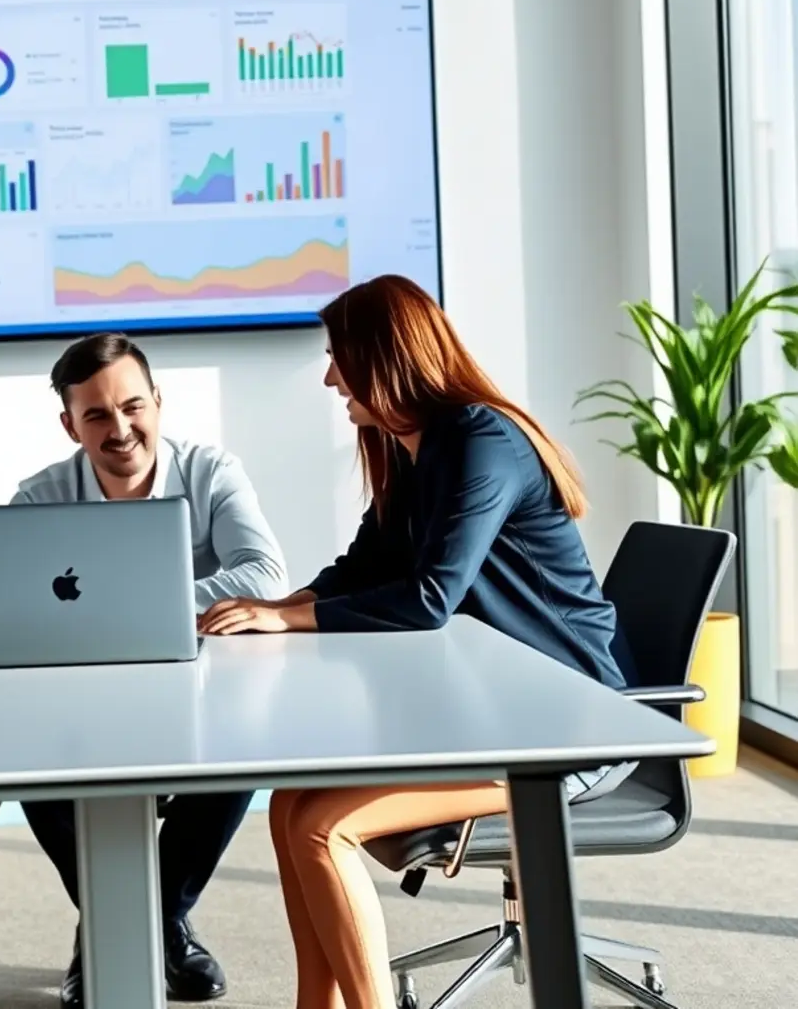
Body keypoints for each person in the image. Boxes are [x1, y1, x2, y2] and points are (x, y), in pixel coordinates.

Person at [198, 274, 633, 1009]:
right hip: (493, 713)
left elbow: (431, 599)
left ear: (384, 357)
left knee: (321, 830)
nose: (332, 376)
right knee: (289, 802)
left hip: (562, 728)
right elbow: (364, 565)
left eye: (340, 357)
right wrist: (277, 606)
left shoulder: (479, 443)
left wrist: (288, 621)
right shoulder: (412, 448)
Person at [12, 331, 289, 1008]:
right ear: (69, 423)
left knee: (241, 755)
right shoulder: (38, 496)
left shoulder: (211, 471)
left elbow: (264, 574)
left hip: (194, 694)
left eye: (133, 407)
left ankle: (124, 932)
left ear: (159, 402)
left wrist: (120, 602)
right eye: (97, 415)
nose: (120, 428)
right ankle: (157, 931)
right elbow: (13, 603)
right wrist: (163, 602)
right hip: (83, 704)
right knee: (26, 763)